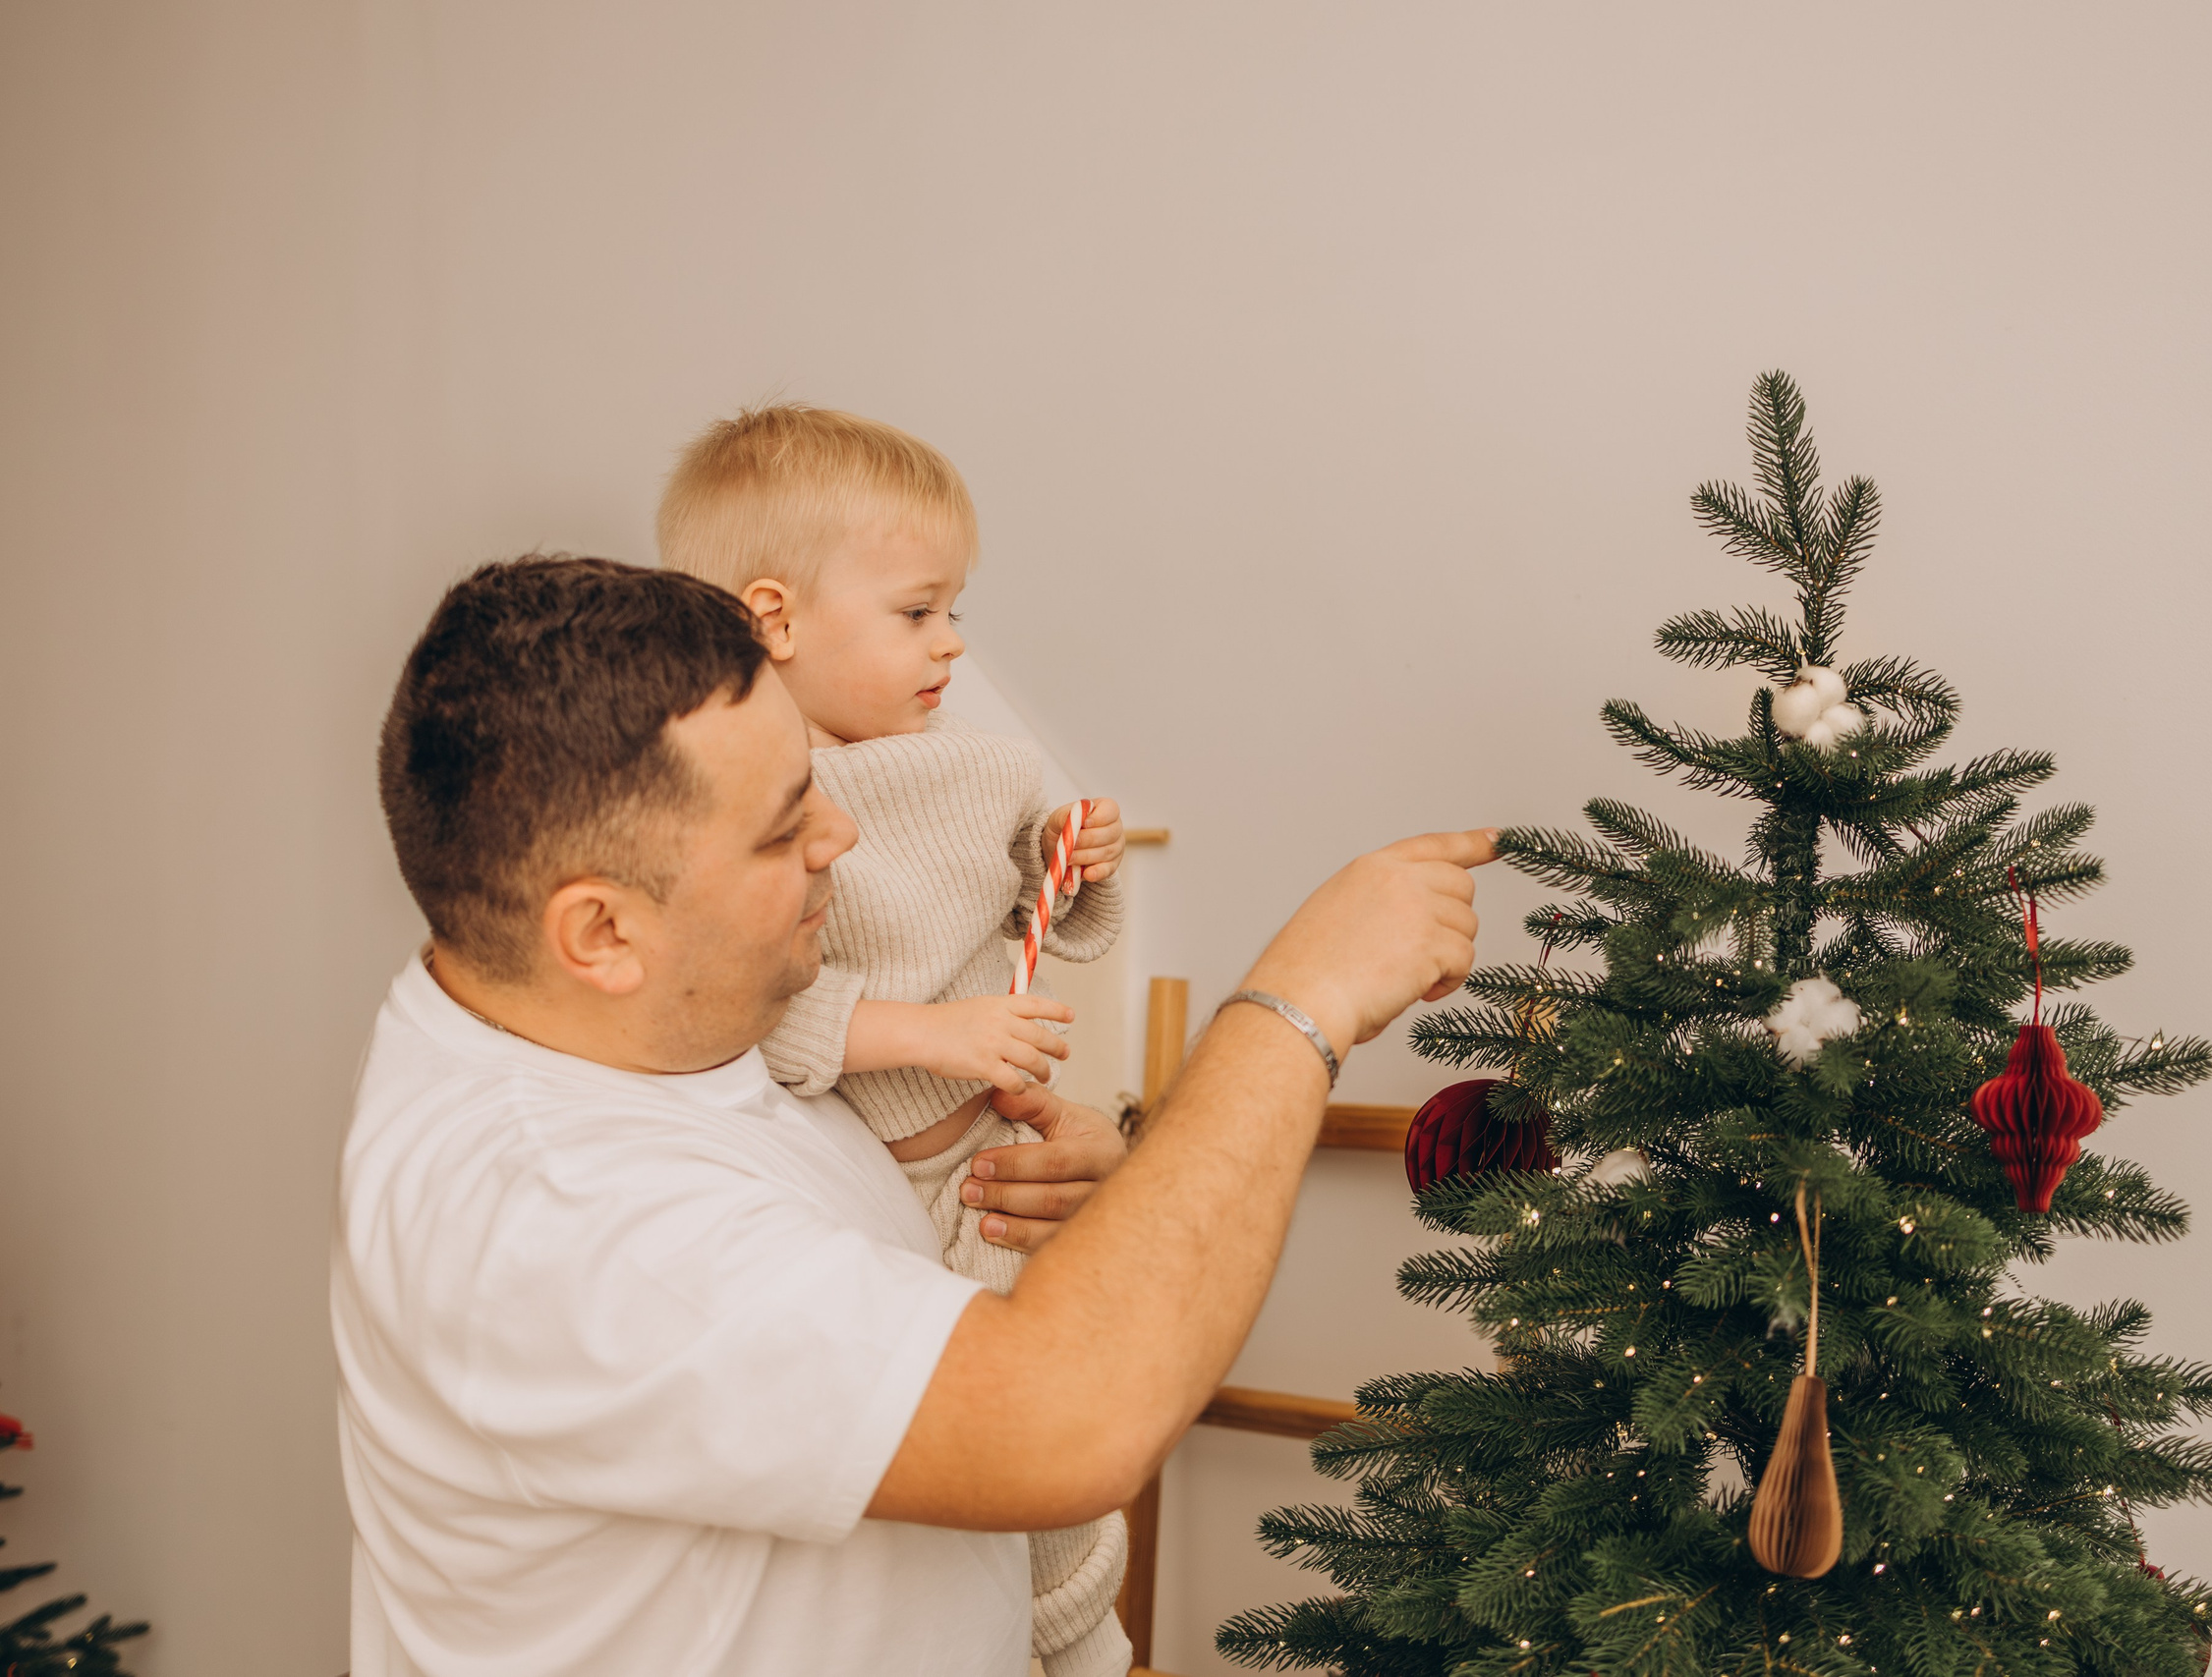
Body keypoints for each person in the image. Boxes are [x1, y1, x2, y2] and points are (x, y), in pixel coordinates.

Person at [338, 554, 1491, 1676]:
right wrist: (1299, 1003)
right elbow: (1066, 1420)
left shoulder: (653, 1027)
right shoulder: (561, 1214)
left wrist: (1113, 1200)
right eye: (785, 827)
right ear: (601, 934)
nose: (838, 838)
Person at [654, 402, 1136, 1674]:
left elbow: (1058, 915)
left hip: (987, 1165)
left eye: (953, 609)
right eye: (917, 612)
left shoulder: (980, 764)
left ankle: (1089, 1645)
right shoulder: (739, 806)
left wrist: (1070, 861)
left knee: (1056, 1465)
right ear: (774, 618)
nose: (953, 642)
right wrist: (933, 1029)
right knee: (938, 1482)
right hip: (866, 1190)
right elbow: (748, 1012)